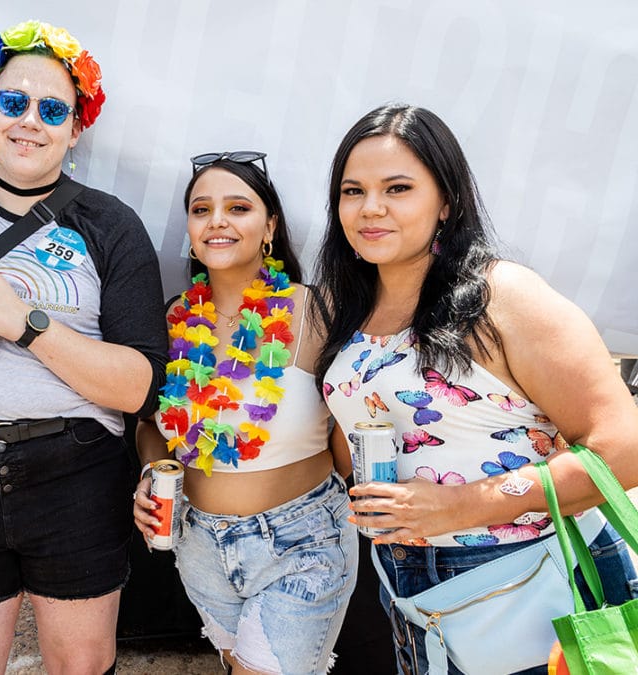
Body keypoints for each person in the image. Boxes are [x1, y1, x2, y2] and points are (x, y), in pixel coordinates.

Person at [316, 103, 638, 674]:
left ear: (447, 202)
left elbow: (624, 447)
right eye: (352, 190)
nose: (370, 208)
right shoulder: (353, 313)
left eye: (397, 188)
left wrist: (463, 504)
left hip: (528, 581)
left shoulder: (501, 296)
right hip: (409, 591)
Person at [0, 20, 166, 675]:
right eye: (12, 102)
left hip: (76, 476)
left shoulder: (110, 223)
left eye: (53, 109)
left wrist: (28, 322)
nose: (29, 121)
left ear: (76, 128)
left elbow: (138, 385)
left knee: (80, 667)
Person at [132, 152, 356, 674]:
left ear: (270, 225)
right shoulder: (173, 318)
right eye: (201, 209)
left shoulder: (316, 311)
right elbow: (150, 424)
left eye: (238, 207)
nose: (217, 221)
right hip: (199, 544)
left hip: (302, 543)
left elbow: (354, 427)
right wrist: (151, 472)